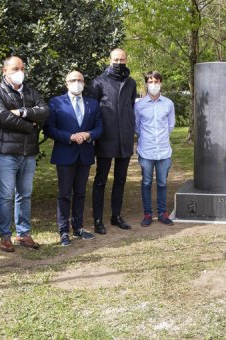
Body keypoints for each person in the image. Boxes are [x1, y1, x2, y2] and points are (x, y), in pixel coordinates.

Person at [0, 56, 49, 252]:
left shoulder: (30, 91)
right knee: (6, 195)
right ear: (4, 71)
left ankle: (23, 234)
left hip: (28, 152)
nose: (19, 71)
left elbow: (45, 111)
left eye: (22, 68)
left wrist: (22, 112)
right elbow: (3, 117)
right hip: (5, 152)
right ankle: (5, 236)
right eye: (15, 68)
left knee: (25, 194)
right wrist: (31, 125)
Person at [44, 71, 103, 246]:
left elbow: (100, 127)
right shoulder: (56, 103)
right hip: (65, 154)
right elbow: (49, 129)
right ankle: (64, 231)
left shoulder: (92, 103)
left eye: (80, 80)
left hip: (84, 154)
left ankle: (78, 227)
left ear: (84, 83)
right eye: (73, 80)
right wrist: (69, 137)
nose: (77, 82)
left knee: (80, 193)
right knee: (64, 194)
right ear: (66, 83)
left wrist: (89, 134)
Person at [91, 48, 137, 234]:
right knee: (100, 180)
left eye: (122, 59)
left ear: (126, 60)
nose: (119, 62)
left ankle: (116, 216)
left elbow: (131, 107)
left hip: (124, 139)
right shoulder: (99, 82)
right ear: (110, 60)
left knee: (121, 180)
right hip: (105, 139)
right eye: (116, 59)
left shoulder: (131, 83)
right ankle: (98, 219)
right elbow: (93, 110)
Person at [135, 71, 176, 227]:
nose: (153, 85)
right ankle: (147, 214)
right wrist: (147, 138)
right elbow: (137, 126)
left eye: (156, 81)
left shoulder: (168, 104)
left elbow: (171, 125)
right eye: (150, 81)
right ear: (146, 83)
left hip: (164, 151)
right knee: (146, 183)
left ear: (161, 83)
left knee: (162, 183)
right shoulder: (139, 105)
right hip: (146, 150)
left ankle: (162, 213)